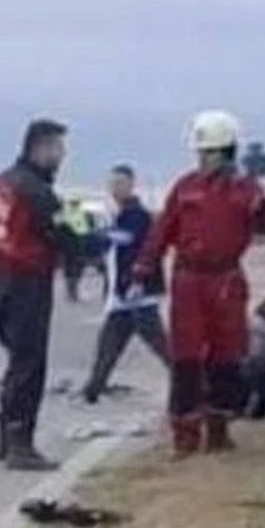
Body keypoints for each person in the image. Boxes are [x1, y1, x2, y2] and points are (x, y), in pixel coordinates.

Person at [135, 110, 265, 456]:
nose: (201, 160)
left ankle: (218, 429)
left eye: (208, 153)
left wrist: (264, 201)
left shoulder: (245, 190)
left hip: (226, 279)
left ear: (226, 153)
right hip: (189, 279)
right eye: (200, 153)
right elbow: (163, 229)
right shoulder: (185, 188)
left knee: (226, 357)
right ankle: (185, 433)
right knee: (186, 357)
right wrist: (145, 265)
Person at [0, 119, 76, 471]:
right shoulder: (34, 189)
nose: (61, 156)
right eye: (58, 149)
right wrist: (96, 243)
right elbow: (65, 234)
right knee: (29, 362)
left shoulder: (2, 182)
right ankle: (21, 442)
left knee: (17, 358)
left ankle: (6, 437)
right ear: (40, 147)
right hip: (26, 279)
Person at [80, 165, 170, 404]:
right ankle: (92, 390)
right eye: (112, 183)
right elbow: (102, 249)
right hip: (120, 297)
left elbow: (126, 238)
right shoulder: (117, 216)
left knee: (161, 345)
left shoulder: (137, 215)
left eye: (120, 183)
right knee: (107, 346)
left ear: (131, 185)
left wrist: (100, 229)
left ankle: (188, 383)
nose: (115, 188)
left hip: (138, 293)